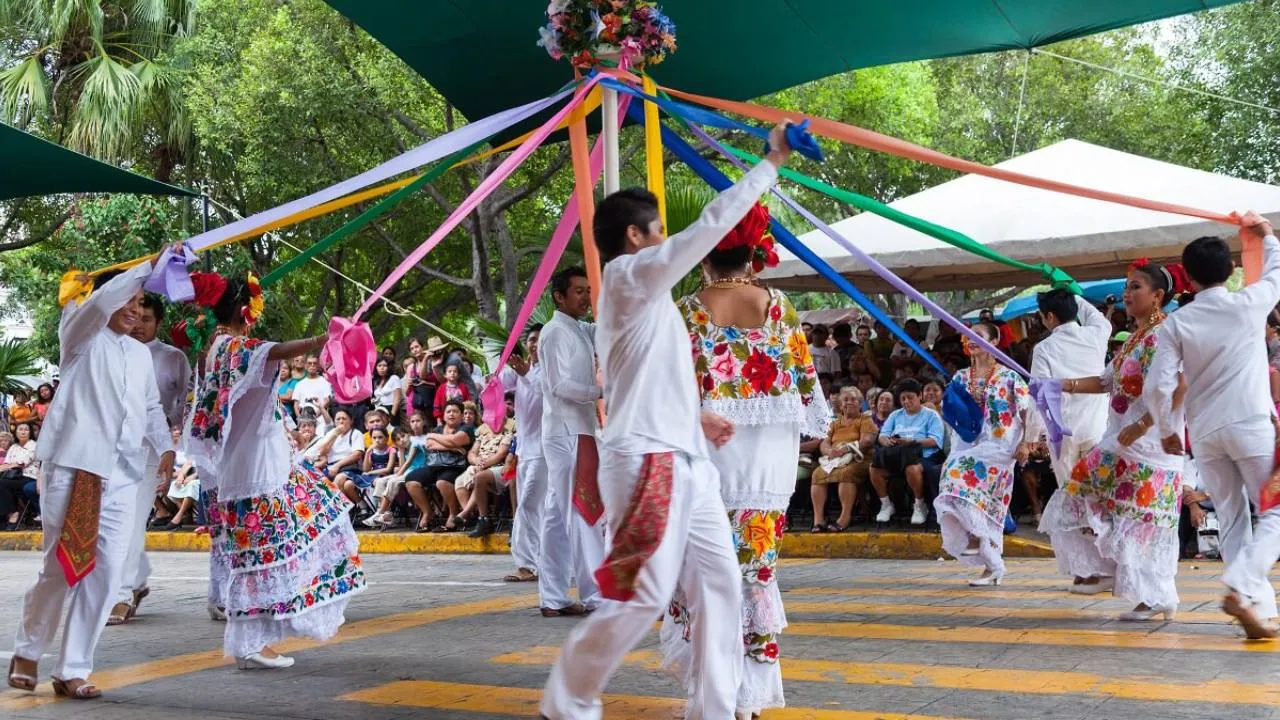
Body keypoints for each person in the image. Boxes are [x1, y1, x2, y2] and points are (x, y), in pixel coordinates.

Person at [540, 120, 793, 720]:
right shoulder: (627, 276)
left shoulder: (647, 302)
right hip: (647, 460)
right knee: (643, 595)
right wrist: (770, 163)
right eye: (658, 230)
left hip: (686, 461)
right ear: (635, 236)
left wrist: (698, 417)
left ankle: (713, 709)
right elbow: (708, 229)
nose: (668, 238)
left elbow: (643, 378)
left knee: (721, 586)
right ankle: (566, 698)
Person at [659, 201, 830, 717]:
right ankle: (748, 696)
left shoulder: (687, 309)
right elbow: (807, 384)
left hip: (709, 447)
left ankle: (717, 689)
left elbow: (670, 386)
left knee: (706, 569)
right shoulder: (778, 305)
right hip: (768, 459)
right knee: (757, 566)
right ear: (752, 254)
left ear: (706, 255)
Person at [8, 259, 174, 700]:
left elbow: (150, 408)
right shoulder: (80, 334)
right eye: (131, 300)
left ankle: (72, 668)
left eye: (142, 303)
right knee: (60, 566)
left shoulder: (139, 355)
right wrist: (150, 265)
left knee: (106, 572)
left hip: (122, 474)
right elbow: (99, 302)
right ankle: (28, 650)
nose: (136, 310)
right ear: (108, 298)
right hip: (73, 467)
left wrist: (166, 447)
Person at [183, 271, 364, 670]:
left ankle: (256, 640)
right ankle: (251, 642)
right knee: (259, 555)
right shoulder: (237, 348)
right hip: (254, 470)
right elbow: (276, 350)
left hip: (250, 466)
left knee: (270, 545)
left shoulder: (214, 348)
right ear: (243, 309)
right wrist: (324, 339)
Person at [1146, 213, 1280, 637]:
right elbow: (1276, 272)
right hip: (1250, 423)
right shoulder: (1249, 303)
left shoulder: (1178, 322)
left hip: (1205, 433)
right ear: (1232, 269)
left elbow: (1158, 384)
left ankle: (1257, 608)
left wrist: (1167, 428)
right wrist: (1267, 236)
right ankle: (1242, 583)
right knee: (1274, 511)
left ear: (1188, 279)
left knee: (1233, 517)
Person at [1046, 258, 1188, 616]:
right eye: (1126, 287)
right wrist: (1061, 384)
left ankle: (1147, 593)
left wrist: (1143, 425)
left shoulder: (1164, 334)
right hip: (1123, 441)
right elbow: (1104, 381)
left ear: (1157, 295)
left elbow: (1180, 385)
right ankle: (1116, 575)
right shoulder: (1135, 338)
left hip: (1150, 443)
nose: (1126, 294)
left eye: (1135, 287)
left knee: (1140, 521)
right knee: (1091, 498)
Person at [112, 292, 191, 626]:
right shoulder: (111, 350)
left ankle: (120, 594)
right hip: (108, 449)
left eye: (146, 319)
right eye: (134, 316)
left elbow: (181, 403)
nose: (138, 325)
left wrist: (171, 446)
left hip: (150, 451)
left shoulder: (172, 357)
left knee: (130, 520)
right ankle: (135, 579)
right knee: (110, 520)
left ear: (158, 323)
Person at [934, 324, 1033, 586]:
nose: (970, 339)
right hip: (967, 444)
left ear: (995, 340)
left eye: (978, 335)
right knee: (973, 499)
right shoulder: (960, 377)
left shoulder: (1010, 376)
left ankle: (976, 536)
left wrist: (1025, 444)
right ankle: (993, 565)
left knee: (956, 475)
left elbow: (1028, 413)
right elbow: (952, 412)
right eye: (967, 335)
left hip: (1000, 445)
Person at [1032, 290, 1115, 587]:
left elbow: (1039, 396)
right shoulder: (1097, 333)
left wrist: (1032, 436)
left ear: (1049, 317)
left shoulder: (1044, 348)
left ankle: (1091, 570)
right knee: (1097, 499)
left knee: (1074, 501)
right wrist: (1071, 293)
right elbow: (1092, 313)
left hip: (1063, 435)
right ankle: (1103, 567)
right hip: (1097, 429)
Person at [537, 266, 606, 617]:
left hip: (578, 429)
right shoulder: (554, 333)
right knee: (581, 510)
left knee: (557, 515)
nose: (586, 297)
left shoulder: (579, 328)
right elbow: (560, 385)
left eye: (588, 290)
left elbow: (606, 330)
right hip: (567, 431)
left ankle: (553, 597)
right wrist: (601, 391)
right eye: (579, 291)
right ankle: (595, 596)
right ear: (559, 297)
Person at [501, 325, 546, 583]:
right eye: (531, 340)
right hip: (525, 449)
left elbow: (547, 393)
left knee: (529, 505)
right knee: (531, 506)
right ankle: (536, 562)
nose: (534, 344)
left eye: (539, 340)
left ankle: (529, 564)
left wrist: (526, 373)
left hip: (546, 450)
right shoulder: (520, 370)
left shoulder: (551, 369)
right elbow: (498, 382)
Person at [873, 379, 945, 526]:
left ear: (919, 396)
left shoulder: (931, 415)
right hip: (898, 454)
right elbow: (882, 435)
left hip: (925, 455)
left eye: (910, 397)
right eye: (903, 398)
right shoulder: (895, 415)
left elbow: (935, 441)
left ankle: (919, 505)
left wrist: (912, 442)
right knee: (874, 469)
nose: (906, 401)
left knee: (912, 469)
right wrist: (887, 442)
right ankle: (886, 504)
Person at [810, 387, 873, 532]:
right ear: (841, 404)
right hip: (835, 459)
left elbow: (867, 440)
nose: (849, 402)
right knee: (817, 474)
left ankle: (845, 518)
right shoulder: (834, 423)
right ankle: (818, 520)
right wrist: (830, 451)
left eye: (853, 399)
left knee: (846, 473)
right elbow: (825, 442)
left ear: (860, 403)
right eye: (845, 400)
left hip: (858, 459)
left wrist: (846, 449)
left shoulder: (865, 419)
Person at [404, 400, 472, 532]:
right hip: (434, 465)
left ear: (461, 415)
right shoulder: (438, 429)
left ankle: (453, 513)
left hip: (455, 467)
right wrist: (453, 448)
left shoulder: (466, 428)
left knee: (442, 482)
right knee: (411, 480)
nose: (451, 414)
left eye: (455, 411)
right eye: (448, 411)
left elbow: (454, 440)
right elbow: (429, 444)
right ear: (444, 415)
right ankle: (427, 512)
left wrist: (436, 437)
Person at [456, 404, 516, 538]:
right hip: (483, 465)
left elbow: (502, 454)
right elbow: (472, 452)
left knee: (482, 476)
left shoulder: (509, 431)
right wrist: (477, 461)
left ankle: (468, 514)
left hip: (500, 466)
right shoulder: (483, 432)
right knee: (461, 481)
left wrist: (484, 465)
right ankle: (480, 519)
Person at [365, 414, 428, 528]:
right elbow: (403, 465)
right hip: (407, 472)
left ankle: (380, 514)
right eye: (398, 439)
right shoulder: (403, 449)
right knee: (381, 481)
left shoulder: (414, 444)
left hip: (417, 472)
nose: (402, 440)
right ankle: (383, 512)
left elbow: (407, 464)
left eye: (403, 436)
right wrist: (401, 451)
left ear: (409, 434)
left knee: (393, 481)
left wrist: (396, 475)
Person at [311, 409, 367, 503]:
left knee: (339, 479)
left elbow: (357, 454)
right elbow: (321, 452)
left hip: (350, 467)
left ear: (351, 421)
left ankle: (341, 508)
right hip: (330, 468)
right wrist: (334, 435)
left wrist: (338, 465)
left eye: (344, 418)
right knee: (318, 482)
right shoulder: (331, 433)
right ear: (334, 421)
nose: (341, 421)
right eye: (338, 419)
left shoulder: (356, 433)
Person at [0, 422, 38, 530]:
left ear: (30, 432)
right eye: (20, 429)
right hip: (12, 476)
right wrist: (7, 466)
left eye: (26, 429)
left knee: (2, 483)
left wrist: (7, 466)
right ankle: (3, 519)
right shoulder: (13, 447)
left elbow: (22, 463)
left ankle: (13, 513)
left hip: (28, 476)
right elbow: (7, 463)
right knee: (4, 482)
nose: (23, 432)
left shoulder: (34, 445)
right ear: (16, 432)